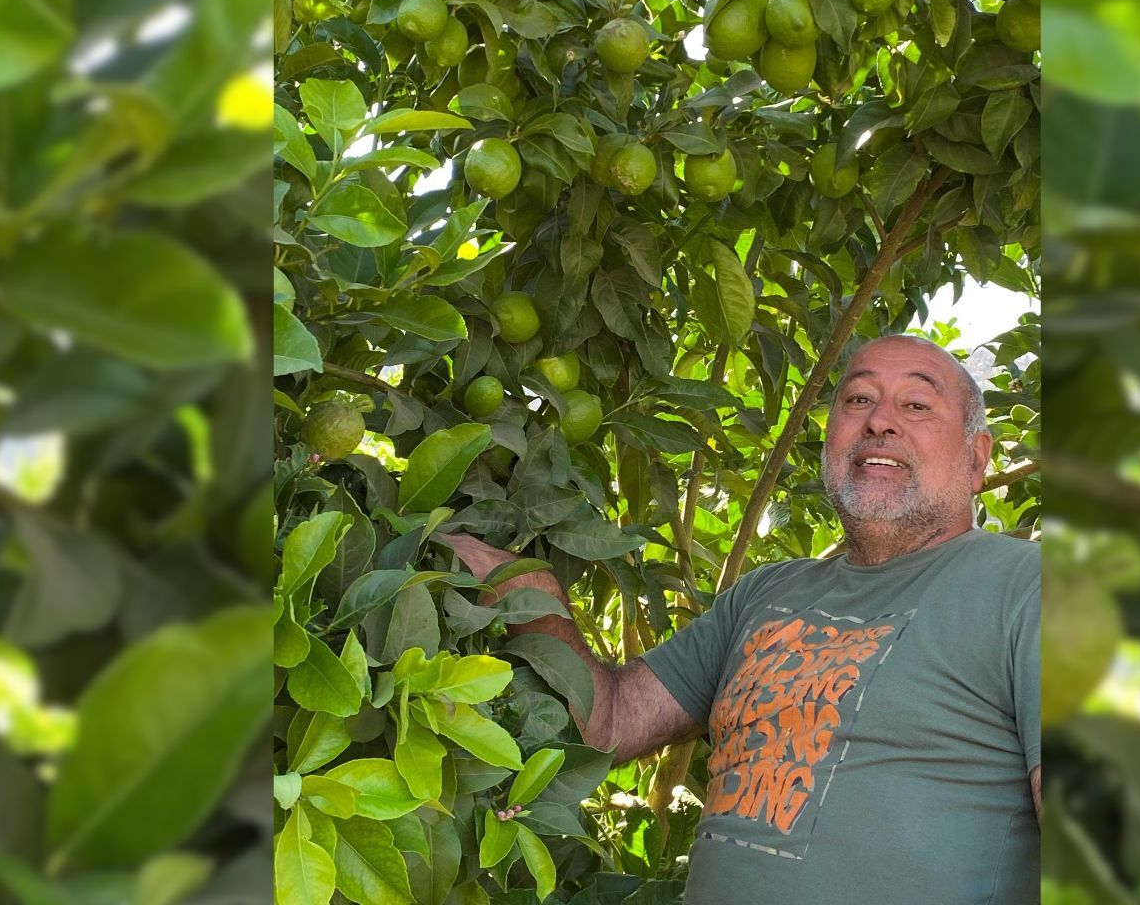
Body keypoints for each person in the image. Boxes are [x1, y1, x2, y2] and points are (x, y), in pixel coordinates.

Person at [441, 334, 1039, 904]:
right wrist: (530, 590)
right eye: (858, 399)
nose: (880, 421)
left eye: (916, 403)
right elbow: (609, 722)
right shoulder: (766, 593)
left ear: (976, 457)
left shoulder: (1032, 586)